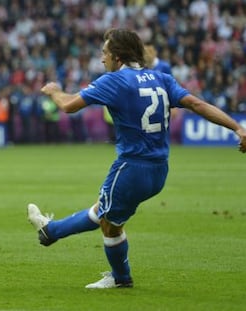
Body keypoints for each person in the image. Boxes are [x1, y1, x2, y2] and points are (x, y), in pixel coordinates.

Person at [27, 28, 246, 289]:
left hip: (131, 168)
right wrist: (238, 127)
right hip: (159, 170)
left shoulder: (114, 81)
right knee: (107, 214)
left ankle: (108, 270)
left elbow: (68, 105)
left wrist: (54, 91)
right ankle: (52, 232)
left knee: (108, 221)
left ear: (117, 57)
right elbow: (198, 104)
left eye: (105, 53)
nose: (102, 59)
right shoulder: (161, 78)